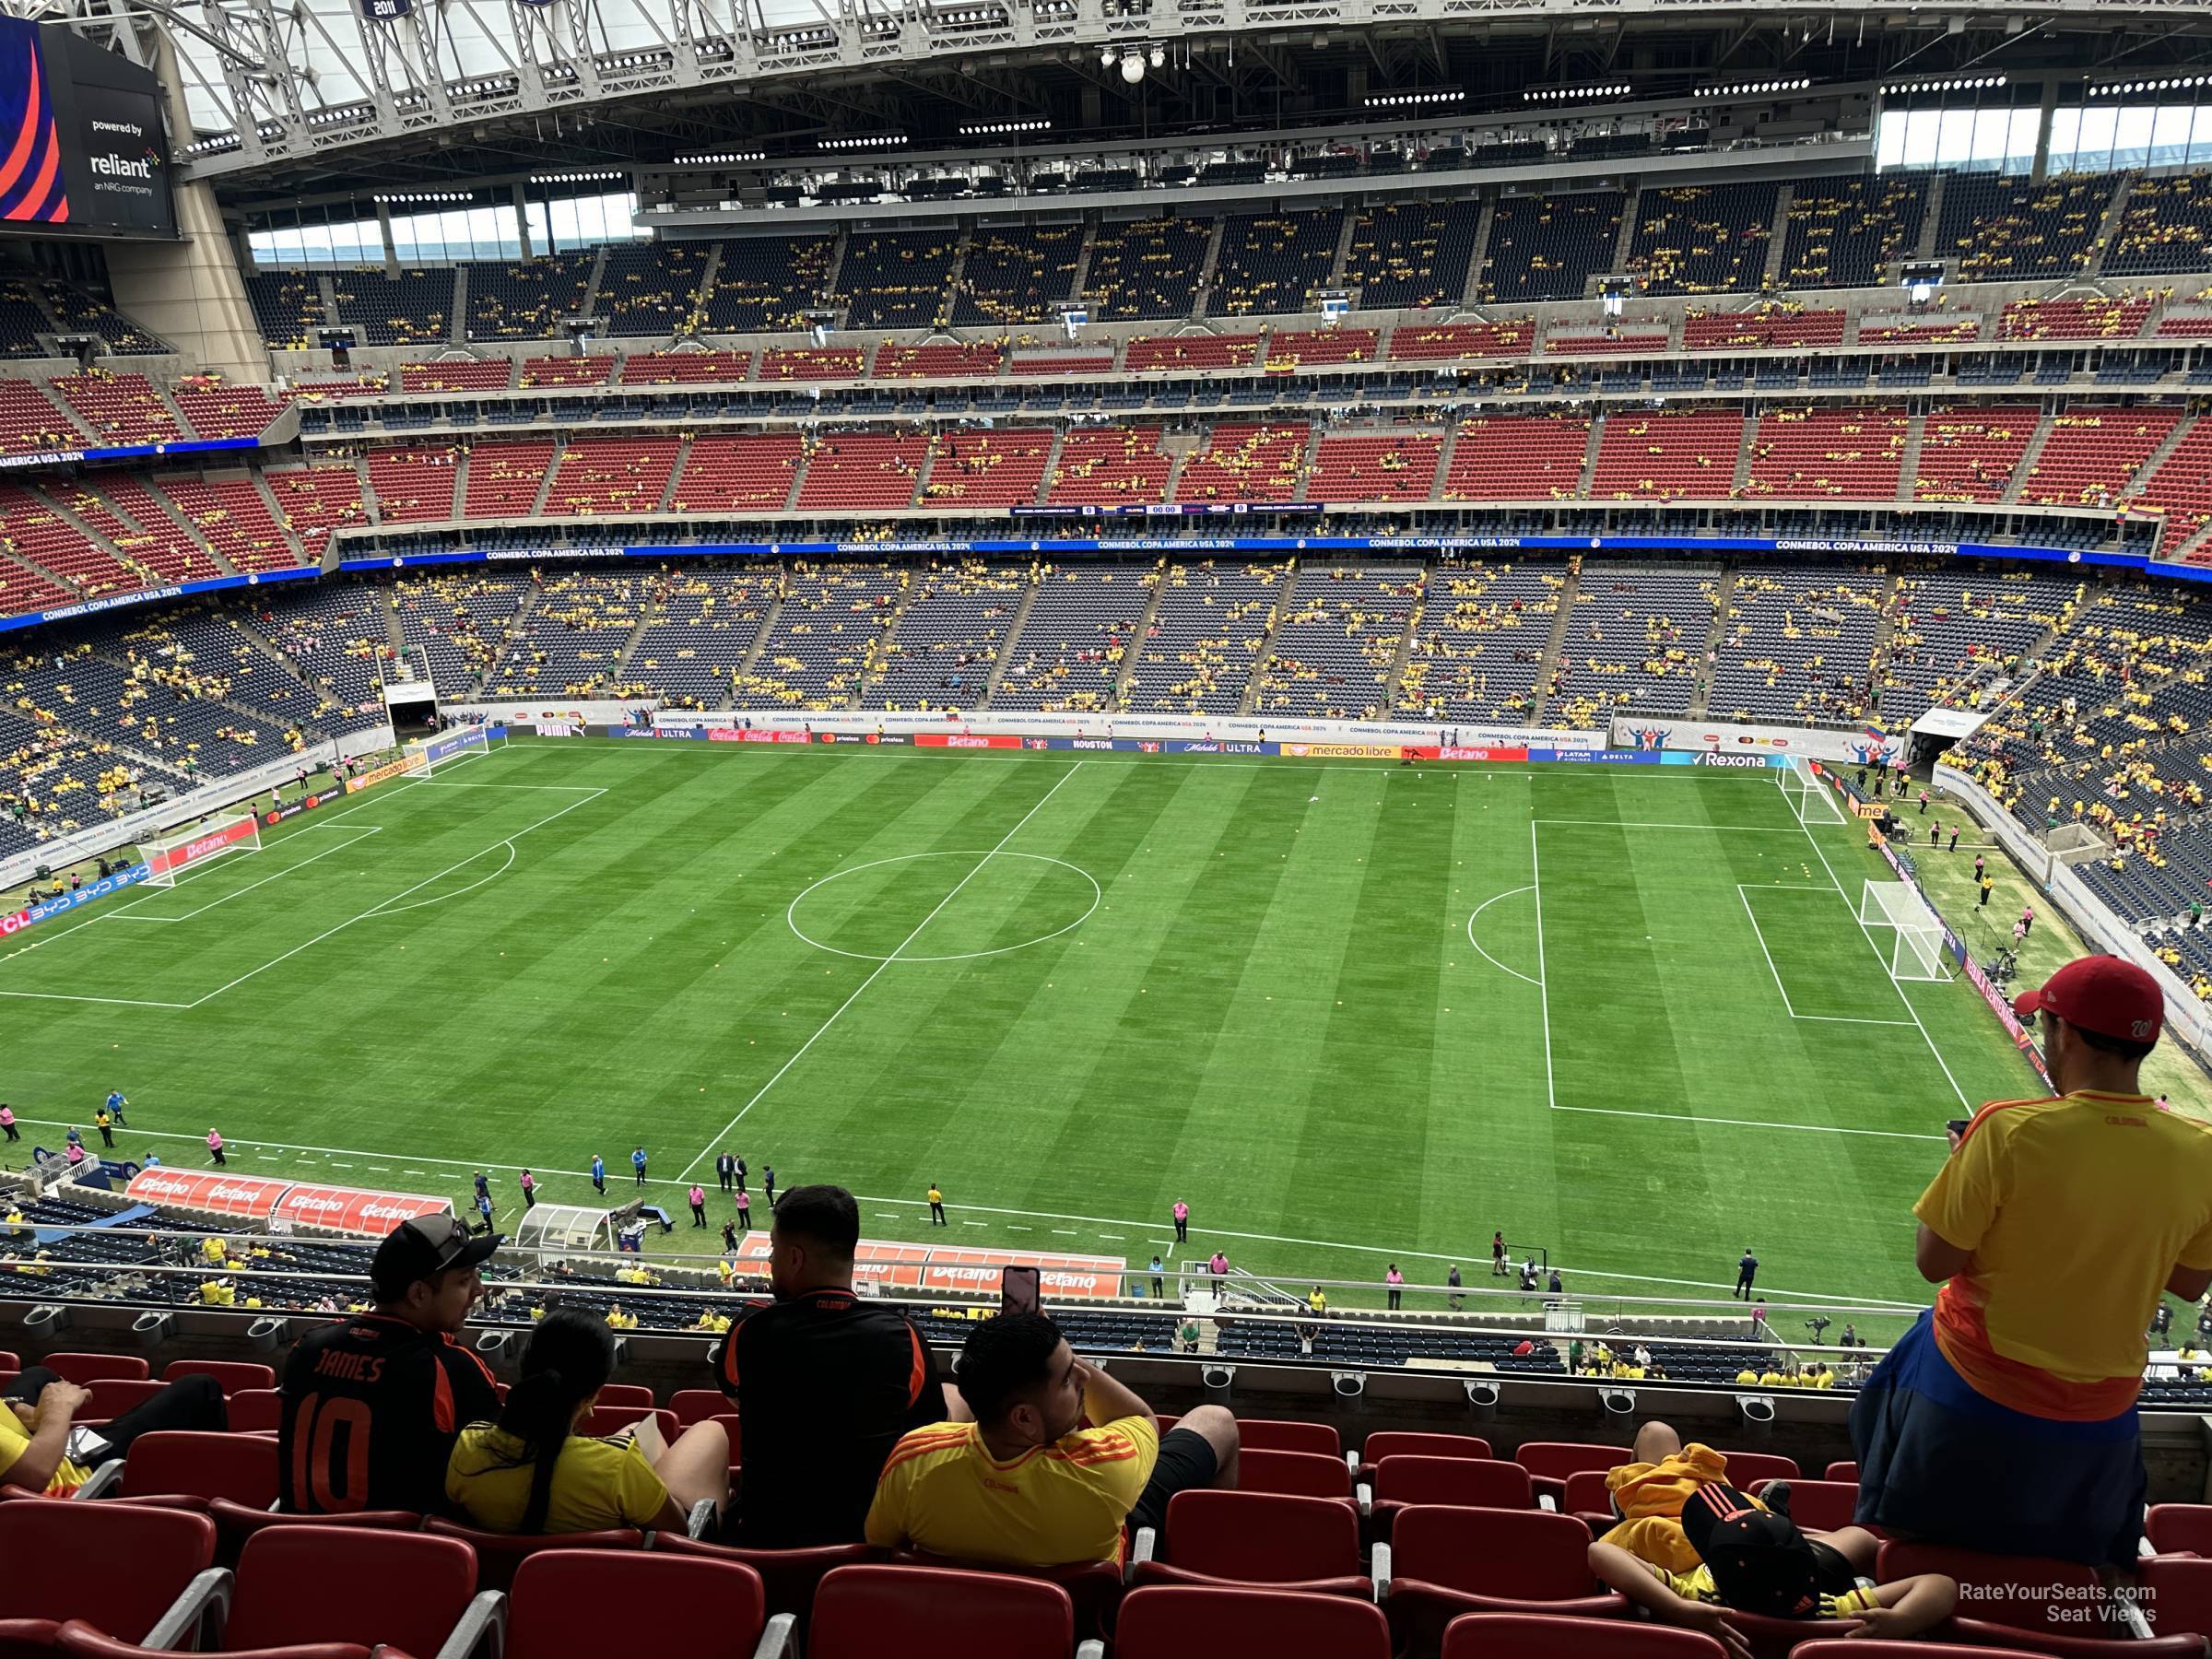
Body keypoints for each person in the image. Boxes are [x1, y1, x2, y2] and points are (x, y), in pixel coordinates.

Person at [1853, 955, 2212, 1565]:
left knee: (1918, 1555)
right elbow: (2188, 1282)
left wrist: (1961, 1162)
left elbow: (1934, 1261)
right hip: (2103, 1415)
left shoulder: (2007, 1131)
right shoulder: (2202, 1151)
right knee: (2060, 1576)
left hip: (1972, 1393)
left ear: (2065, 1033)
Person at [864, 1311, 1241, 1570]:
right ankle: (1206, 1564)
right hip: (1095, 1591)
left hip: (969, 1615)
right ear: (1025, 1417)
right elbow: (1140, 1417)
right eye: (1067, 1378)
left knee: (951, 1394)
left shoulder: (913, 1458)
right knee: (1216, 1419)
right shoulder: (1103, 1470)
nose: (1083, 1379)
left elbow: (881, 1546)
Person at [712, 1185, 955, 1547]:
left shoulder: (750, 1329)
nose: (769, 1261)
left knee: (707, 1430)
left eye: (774, 1251)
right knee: (951, 1396)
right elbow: (927, 1432)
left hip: (766, 1544)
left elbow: (737, 1396)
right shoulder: (903, 1337)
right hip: (870, 1546)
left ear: (795, 1258)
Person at [1588, 1425, 1957, 1645]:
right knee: (1861, 1539)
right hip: (1793, 1575)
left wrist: (1678, 1608)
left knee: (1655, 1433)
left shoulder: (1700, 1594)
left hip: (1733, 1561)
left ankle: (1628, 1506)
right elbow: (1942, 1584)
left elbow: (1600, 1553)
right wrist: (1899, 1622)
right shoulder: (1832, 1611)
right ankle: (1774, 1520)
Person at [278, 1214, 501, 1513]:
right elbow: (501, 1470)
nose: (479, 1290)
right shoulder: (448, 1366)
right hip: (400, 1552)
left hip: (292, 1545)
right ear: (418, 1293)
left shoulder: (309, 1346)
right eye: (464, 1280)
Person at [447, 1310, 727, 1535]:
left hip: (517, 1584)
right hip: (620, 1578)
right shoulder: (617, 1466)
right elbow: (677, 1533)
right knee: (710, 1430)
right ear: (593, 1394)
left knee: (634, 1432)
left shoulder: (468, 1446)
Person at [0, 1366, 225, 1498]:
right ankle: (217, 1492)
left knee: (37, 1374)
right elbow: (36, 1473)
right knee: (201, 1388)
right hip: (74, 1476)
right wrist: (59, 1408)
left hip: (19, 1441)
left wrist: (17, 1410)